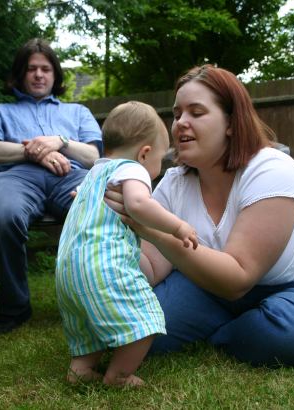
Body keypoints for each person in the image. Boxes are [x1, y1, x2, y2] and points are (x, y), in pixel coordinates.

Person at [104, 65, 294, 368]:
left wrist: (149, 229)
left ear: (231, 122)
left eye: (196, 112)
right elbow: (152, 267)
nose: (180, 123)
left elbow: (237, 279)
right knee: (138, 333)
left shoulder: (272, 171)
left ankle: (220, 333)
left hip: (289, 290)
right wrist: (107, 228)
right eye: (177, 114)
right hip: (203, 287)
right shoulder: (175, 183)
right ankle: (237, 330)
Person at [55, 101, 199, 387]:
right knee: (146, 318)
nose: (159, 166)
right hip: (104, 267)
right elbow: (137, 204)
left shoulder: (94, 173)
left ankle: (81, 370)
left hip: (68, 270)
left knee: (87, 324)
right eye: (160, 158)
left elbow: (79, 201)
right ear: (144, 153)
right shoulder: (132, 169)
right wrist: (177, 226)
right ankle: (119, 376)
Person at [0, 38, 102, 334]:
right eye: (31, 69)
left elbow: (94, 156)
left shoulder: (78, 112)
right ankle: (14, 305)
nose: (39, 75)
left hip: (71, 177)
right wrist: (35, 152)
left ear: (55, 75)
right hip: (15, 179)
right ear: (20, 75)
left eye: (46, 69)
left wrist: (60, 142)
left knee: (103, 207)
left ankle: (98, 298)